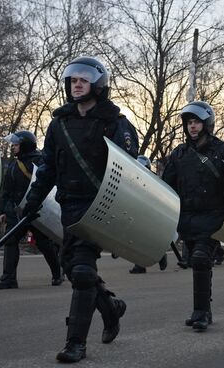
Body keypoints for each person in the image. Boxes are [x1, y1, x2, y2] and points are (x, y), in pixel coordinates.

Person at [22, 56, 138, 362]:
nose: (76, 84)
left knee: (84, 270)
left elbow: (128, 173)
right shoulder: (58, 124)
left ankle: (76, 343)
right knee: (73, 268)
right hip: (68, 206)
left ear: (97, 85)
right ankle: (111, 308)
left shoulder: (116, 124)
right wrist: (31, 202)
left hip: (100, 208)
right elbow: (47, 169)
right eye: (72, 80)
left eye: (83, 79)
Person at [162, 101, 224, 330]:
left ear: (207, 124)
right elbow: (167, 185)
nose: (192, 127)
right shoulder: (179, 154)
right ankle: (204, 309)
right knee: (198, 264)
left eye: (197, 122)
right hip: (188, 218)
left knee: (202, 259)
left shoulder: (222, 152)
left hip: (214, 216)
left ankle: (201, 312)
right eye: (189, 123)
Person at [0, 130, 62, 289]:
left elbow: (48, 187)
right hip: (16, 213)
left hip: (37, 211)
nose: (13, 147)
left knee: (44, 244)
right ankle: (9, 278)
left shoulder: (41, 162)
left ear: (25, 145)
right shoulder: (13, 165)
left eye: (16, 144)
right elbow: (7, 190)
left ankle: (57, 273)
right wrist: (3, 210)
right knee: (11, 240)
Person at [128, 155, 168, 274]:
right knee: (136, 239)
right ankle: (139, 265)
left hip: (150, 213)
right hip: (137, 211)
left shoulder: (154, 179)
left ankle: (160, 255)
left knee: (147, 239)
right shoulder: (133, 177)